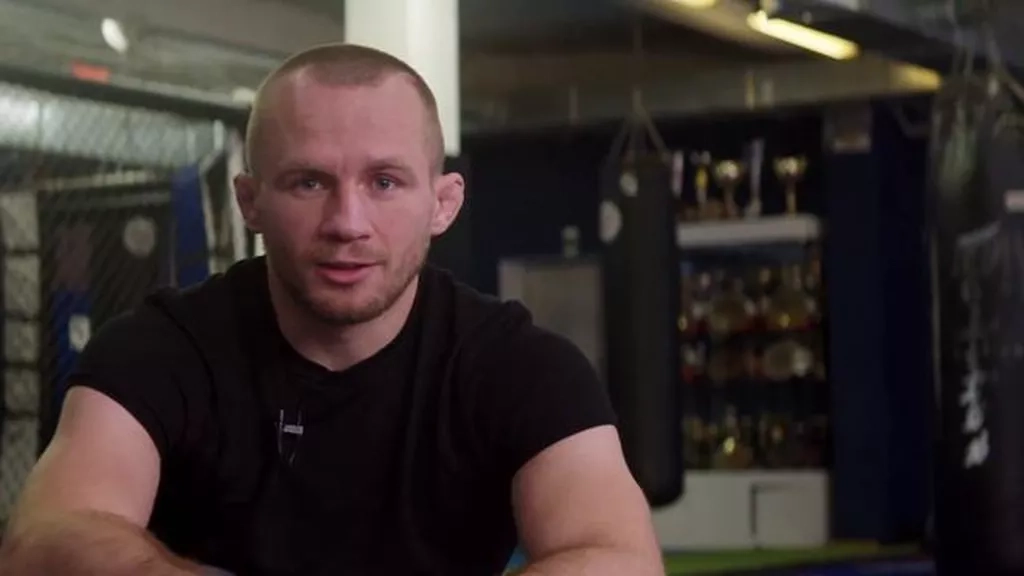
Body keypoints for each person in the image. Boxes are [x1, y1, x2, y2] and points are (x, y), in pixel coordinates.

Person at [0, 43, 663, 576]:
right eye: (309, 181)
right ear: (250, 201)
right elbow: (46, 540)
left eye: (384, 182)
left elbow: (619, 557)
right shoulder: (158, 350)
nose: (347, 222)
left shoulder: (519, 366)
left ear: (443, 203)